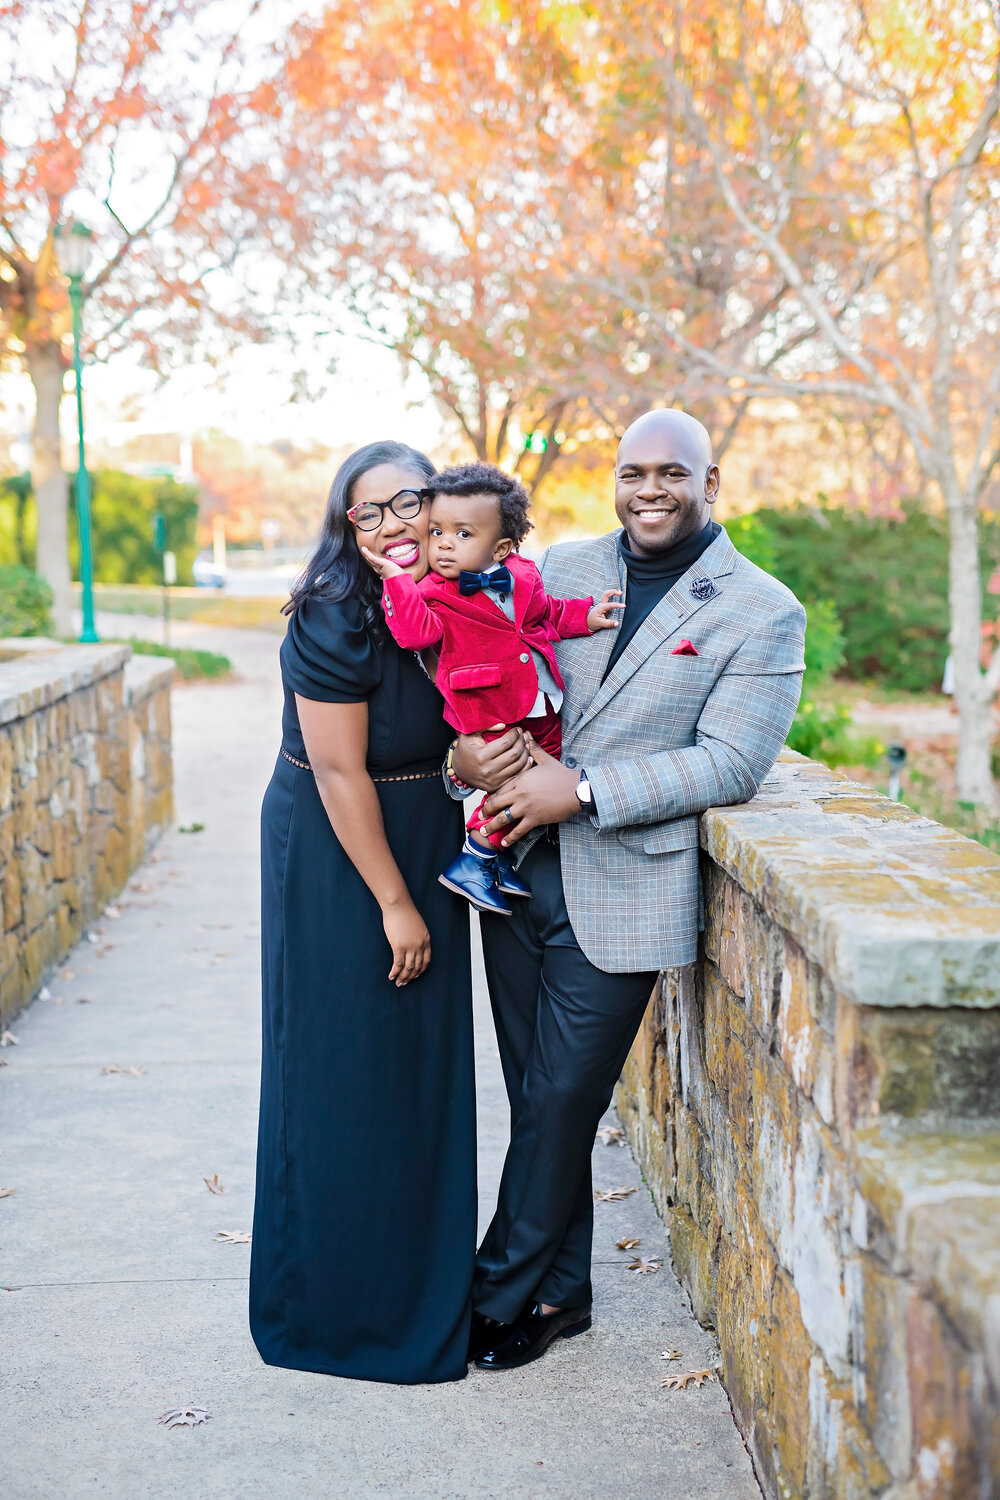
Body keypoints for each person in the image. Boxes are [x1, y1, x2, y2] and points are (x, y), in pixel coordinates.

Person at [450, 408, 807, 1371]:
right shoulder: (558, 571)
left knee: (565, 1097)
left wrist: (589, 788)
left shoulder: (761, 608)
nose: (650, 491)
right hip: (512, 868)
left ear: (711, 483)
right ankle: (561, 1295)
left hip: (627, 886)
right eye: (633, 473)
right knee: (535, 1096)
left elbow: (731, 762)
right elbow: (477, 674)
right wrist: (467, 761)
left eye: (672, 474)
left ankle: (491, 1292)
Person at [250, 440, 480, 1385]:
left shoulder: (460, 598)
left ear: (440, 505)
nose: (391, 527)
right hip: (341, 851)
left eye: (408, 504)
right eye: (368, 512)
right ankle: (334, 1312)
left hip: (424, 830)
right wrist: (395, 903)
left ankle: (423, 1293)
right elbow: (341, 769)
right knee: (340, 1061)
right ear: (346, 524)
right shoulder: (333, 616)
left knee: (416, 1069)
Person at [362, 462, 623, 915]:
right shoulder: (431, 593)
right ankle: (475, 856)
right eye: (438, 530)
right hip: (487, 711)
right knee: (515, 780)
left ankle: (494, 858)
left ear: (500, 547)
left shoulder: (522, 574)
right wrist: (397, 582)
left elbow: (546, 616)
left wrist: (585, 616)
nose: (444, 543)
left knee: (541, 775)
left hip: (538, 701)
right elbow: (413, 634)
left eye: (463, 534)